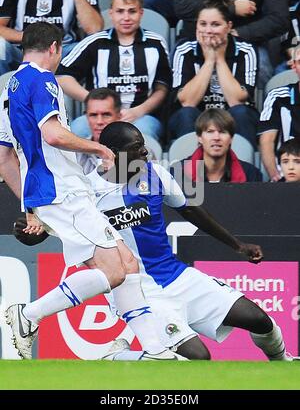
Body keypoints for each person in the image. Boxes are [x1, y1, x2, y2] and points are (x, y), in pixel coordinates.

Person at [13, 121, 296, 361]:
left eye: (142, 143)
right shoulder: (85, 193)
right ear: (112, 155)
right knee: (199, 358)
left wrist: (237, 246)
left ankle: (283, 363)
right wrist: (26, 234)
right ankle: (118, 357)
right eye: (135, 147)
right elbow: (43, 234)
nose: (144, 151)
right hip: (137, 291)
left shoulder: (156, 173)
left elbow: (191, 210)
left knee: (261, 321)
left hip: (176, 275)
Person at [0, 21, 183, 362]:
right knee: (116, 269)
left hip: (49, 194)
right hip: (65, 192)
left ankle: (156, 350)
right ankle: (28, 315)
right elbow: (54, 135)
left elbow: (4, 159)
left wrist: (30, 207)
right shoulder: (43, 80)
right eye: (60, 53)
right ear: (54, 48)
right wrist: (98, 149)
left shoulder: (8, 90)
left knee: (127, 263)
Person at [56, 0, 171, 141]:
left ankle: (133, 166)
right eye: (120, 11)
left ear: (141, 13)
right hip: (99, 116)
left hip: (139, 116)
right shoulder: (95, 42)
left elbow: (162, 87)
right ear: (111, 13)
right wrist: (94, 102)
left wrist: (139, 111)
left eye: (132, 11)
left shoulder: (156, 43)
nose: (126, 17)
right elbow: (62, 76)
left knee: (144, 136)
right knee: (77, 132)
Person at [169, 0, 259, 148]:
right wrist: (209, 61)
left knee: (241, 113)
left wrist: (220, 60)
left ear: (229, 26)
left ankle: (240, 169)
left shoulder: (246, 50)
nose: (208, 30)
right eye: (203, 24)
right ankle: (191, 170)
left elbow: (236, 101)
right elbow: (187, 101)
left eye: (215, 24)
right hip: (197, 115)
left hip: (232, 115)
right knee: (186, 113)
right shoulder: (184, 49)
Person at [173, 0, 290, 86]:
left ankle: (255, 106)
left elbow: (280, 19)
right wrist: (231, 7)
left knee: (262, 66)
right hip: (199, 39)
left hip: (247, 40)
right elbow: (182, 5)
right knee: (180, 60)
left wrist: (236, 34)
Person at [0, 0, 103, 75]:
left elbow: (95, 29)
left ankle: (81, 90)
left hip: (63, 52)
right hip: (22, 51)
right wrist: (35, 38)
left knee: (98, 45)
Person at [178, 108, 262, 183]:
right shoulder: (178, 173)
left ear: (231, 139)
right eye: (210, 132)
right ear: (199, 138)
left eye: (222, 132)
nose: (216, 138)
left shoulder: (251, 175)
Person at [258, 44, 300, 181]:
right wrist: (276, 177)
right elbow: (267, 140)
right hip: (289, 175)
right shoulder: (278, 96)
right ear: (294, 66)